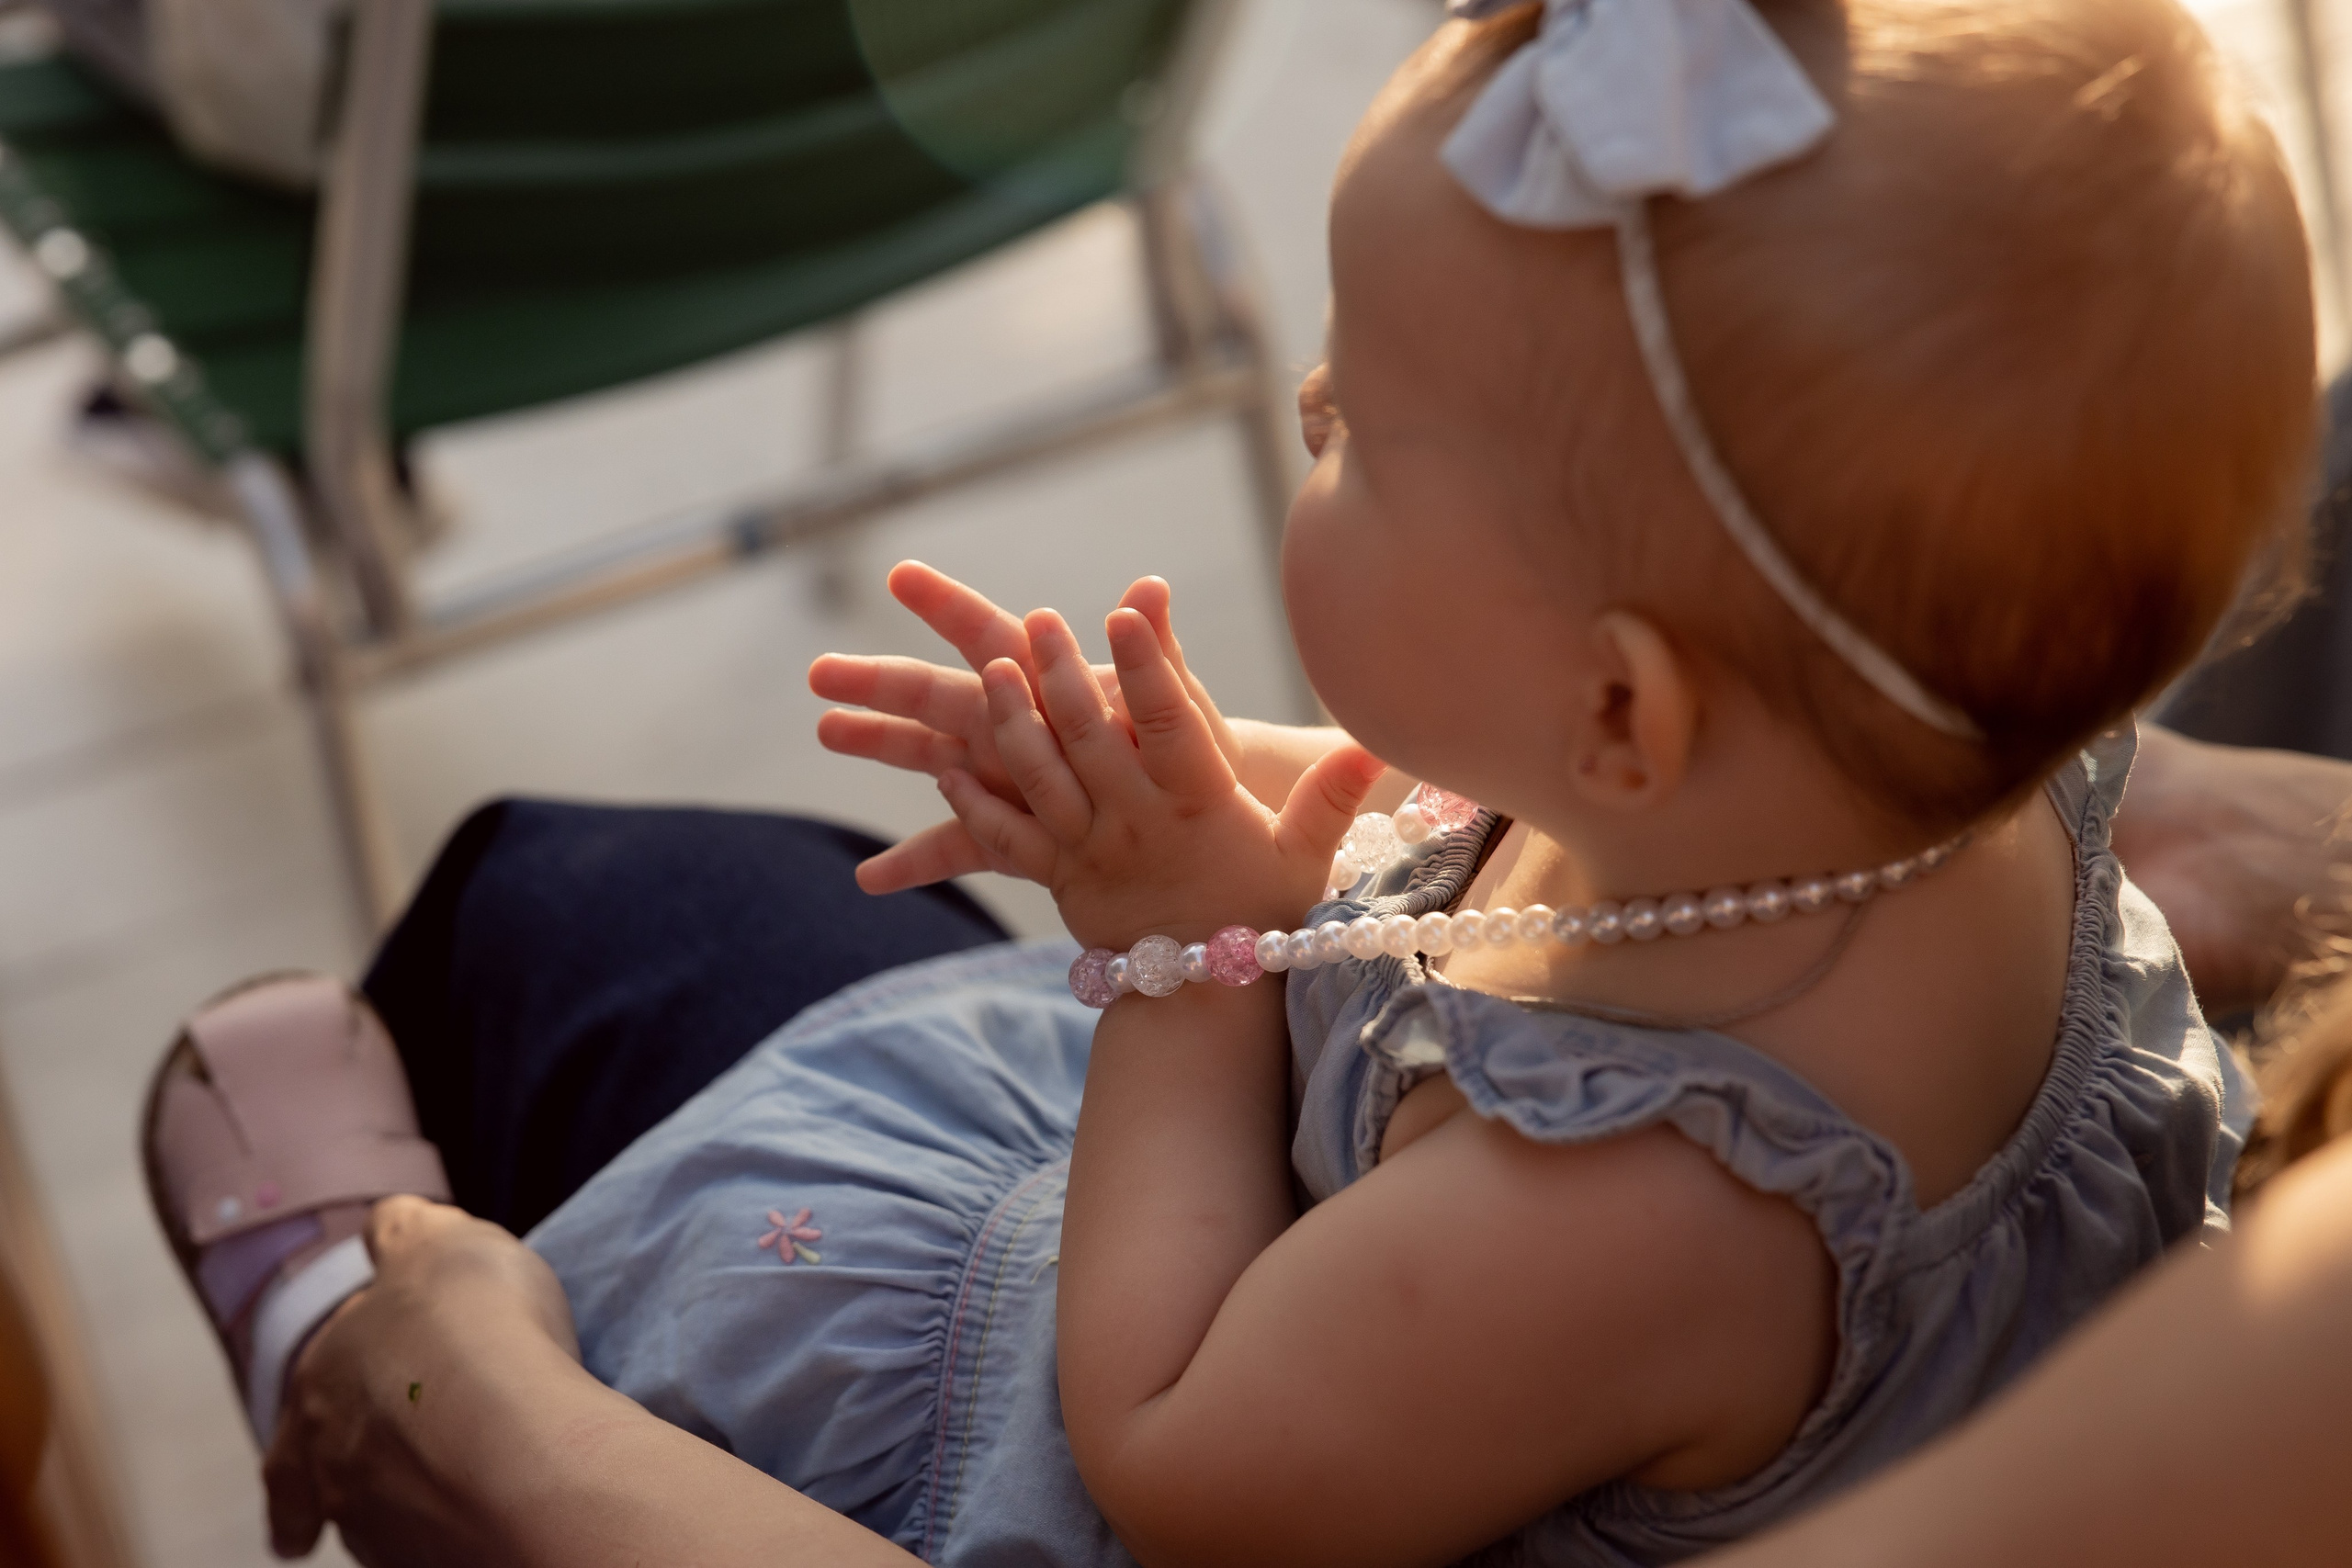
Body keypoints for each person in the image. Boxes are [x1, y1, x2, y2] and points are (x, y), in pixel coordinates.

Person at [141, 0, 2324, 1562]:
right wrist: (1188, 801)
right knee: (570, 895)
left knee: (600, 1074)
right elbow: (1502, 847)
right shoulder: (1935, 771)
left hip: (1155, 1388)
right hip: (1345, 1252)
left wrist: (1173, 952)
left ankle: (352, 1321)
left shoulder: (1637, 1220)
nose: (1301, 402)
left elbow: (1176, 1450)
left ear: (1621, 717)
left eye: (1356, 428)